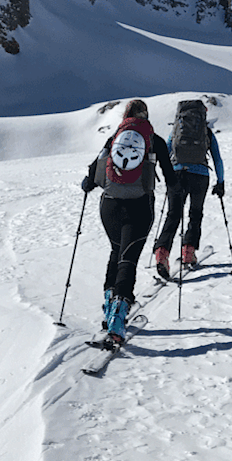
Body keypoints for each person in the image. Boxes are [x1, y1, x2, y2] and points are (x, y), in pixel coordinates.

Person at [81, 99, 177, 345]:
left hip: (109, 206)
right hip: (140, 207)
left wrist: (87, 185)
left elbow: (92, 175)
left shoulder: (114, 138)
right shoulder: (153, 140)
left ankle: (108, 307)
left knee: (116, 251)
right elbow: (171, 178)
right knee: (129, 259)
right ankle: (117, 321)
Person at [152, 99, 225, 280]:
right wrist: (221, 182)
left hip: (177, 174)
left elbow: (167, 150)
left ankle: (162, 252)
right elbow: (217, 159)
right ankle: (188, 252)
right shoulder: (206, 132)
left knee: (173, 214)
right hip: (200, 175)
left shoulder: (176, 131)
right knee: (195, 213)